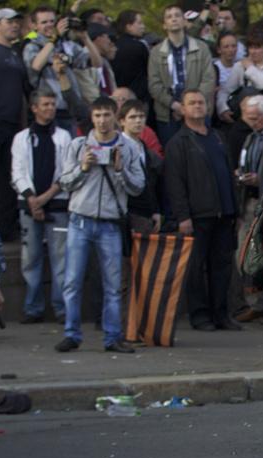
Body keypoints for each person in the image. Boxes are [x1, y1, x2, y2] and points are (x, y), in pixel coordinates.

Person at [56, 96, 145, 354]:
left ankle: (112, 337)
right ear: (92, 118)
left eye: (106, 115)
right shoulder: (78, 145)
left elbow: (138, 186)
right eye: (97, 116)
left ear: (114, 117)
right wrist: (83, 168)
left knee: (113, 284)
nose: (102, 121)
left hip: (109, 223)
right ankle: (72, 334)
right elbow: (64, 182)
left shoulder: (127, 148)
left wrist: (120, 170)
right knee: (72, 281)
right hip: (80, 220)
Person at [164, 89, 239, 332]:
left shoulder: (217, 137)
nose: (198, 106)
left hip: (224, 213)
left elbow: (228, 174)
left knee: (222, 267)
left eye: (201, 102)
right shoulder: (178, 142)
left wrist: (234, 210)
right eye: (192, 103)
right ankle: (200, 315)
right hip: (198, 215)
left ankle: (221, 314)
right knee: (195, 269)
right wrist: (183, 216)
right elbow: (175, 183)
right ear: (183, 109)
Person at [11, 87, 70, 323]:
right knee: (30, 258)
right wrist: (31, 199)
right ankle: (32, 308)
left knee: (61, 259)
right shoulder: (22, 138)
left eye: (52, 104)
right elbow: (18, 171)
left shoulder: (63, 137)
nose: (49, 108)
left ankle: (61, 308)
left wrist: (46, 198)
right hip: (29, 204)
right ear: (34, 108)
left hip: (57, 204)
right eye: (45, 104)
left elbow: (67, 172)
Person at [147, 5, 215, 143]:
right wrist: (176, 106)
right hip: (169, 113)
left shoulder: (201, 48)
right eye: (169, 17)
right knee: (174, 157)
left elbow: (208, 79)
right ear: (164, 25)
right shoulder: (156, 52)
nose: (173, 19)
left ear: (184, 21)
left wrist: (192, 105)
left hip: (198, 111)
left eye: (177, 15)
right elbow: (154, 85)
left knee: (202, 154)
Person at [0, 7, 29, 242]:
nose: (15, 26)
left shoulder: (16, 53)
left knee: (8, 178)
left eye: (17, 22)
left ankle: (7, 228)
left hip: (13, 125)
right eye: (9, 21)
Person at [118, 98, 162, 235]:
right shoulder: (117, 146)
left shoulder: (146, 150)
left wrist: (155, 211)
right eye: (132, 117)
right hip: (122, 214)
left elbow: (152, 183)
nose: (138, 121)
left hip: (144, 214)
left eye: (141, 117)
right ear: (122, 121)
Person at [111, 10, 149, 104]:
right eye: (139, 23)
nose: (143, 26)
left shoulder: (113, 46)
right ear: (128, 27)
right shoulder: (139, 46)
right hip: (140, 97)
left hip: (118, 97)